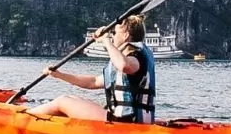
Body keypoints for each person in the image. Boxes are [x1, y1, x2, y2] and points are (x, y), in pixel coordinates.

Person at [26, 15, 155, 123]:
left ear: (126, 35)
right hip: (129, 119)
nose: (113, 36)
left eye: (115, 33)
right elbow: (92, 82)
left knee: (62, 101)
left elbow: (124, 65)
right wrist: (60, 75)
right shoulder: (131, 57)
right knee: (72, 99)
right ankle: (31, 115)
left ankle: (24, 118)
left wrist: (105, 40)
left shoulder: (136, 57)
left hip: (125, 121)